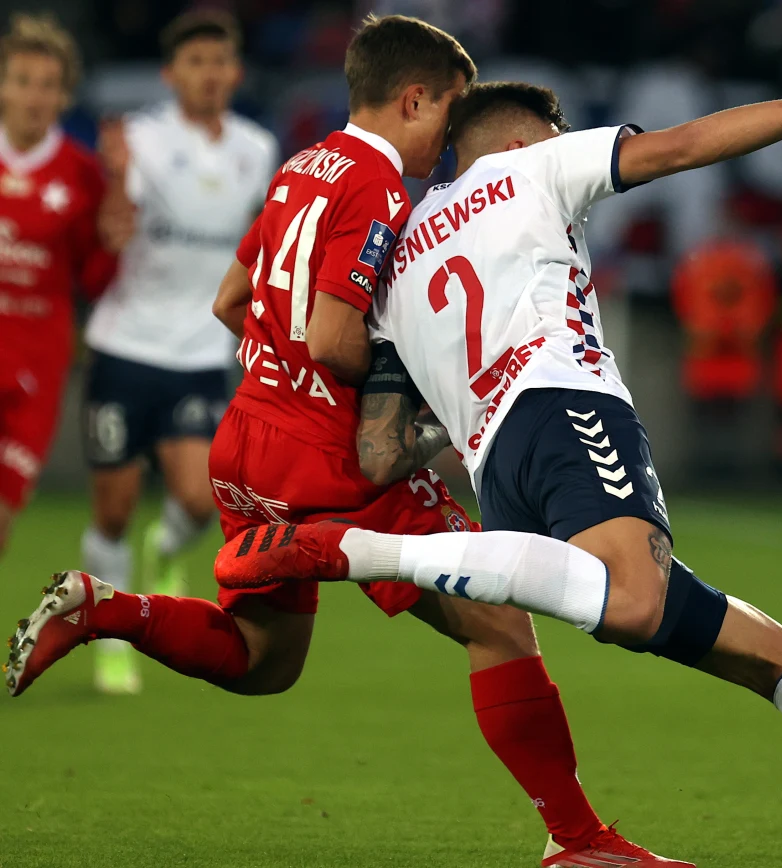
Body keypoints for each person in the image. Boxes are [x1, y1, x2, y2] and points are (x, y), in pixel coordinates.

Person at [223, 80, 782, 866]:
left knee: (778, 662)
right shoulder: (534, 168)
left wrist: (463, 398)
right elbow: (684, 145)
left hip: (501, 472)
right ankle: (345, 550)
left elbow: (378, 448)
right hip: (569, 410)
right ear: (522, 138)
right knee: (632, 603)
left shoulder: (402, 256)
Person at [6, 16, 691, 868]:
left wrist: (279, 377)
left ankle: (109, 608)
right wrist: (434, 383)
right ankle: (578, 841)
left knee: (262, 659)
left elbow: (231, 301)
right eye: (447, 113)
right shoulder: (375, 187)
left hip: (247, 440)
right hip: (330, 460)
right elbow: (334, 339)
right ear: (414, 100)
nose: (450, 138)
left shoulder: (301, 167)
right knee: (501, 625)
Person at [78, 10, 278, 695]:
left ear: (235, 72)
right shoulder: (140, 141)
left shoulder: (256, 148)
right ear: (171, 75)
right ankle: (108, 635)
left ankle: (163, 557)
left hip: (198, 352)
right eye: (195, 63)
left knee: (198, 501)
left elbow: (263, 245)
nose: (209, 75)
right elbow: (111, 231)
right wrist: (114, 184)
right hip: (124, 345)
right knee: (112, 509)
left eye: (220, 62)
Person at [0, 14, 129, 558]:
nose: (34, 96)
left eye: (48, 85)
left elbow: (93, 279)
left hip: (37, 360)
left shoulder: (80, 172)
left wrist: (115, 237)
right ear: (4, 84)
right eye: (23, 80)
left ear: (65, 96)